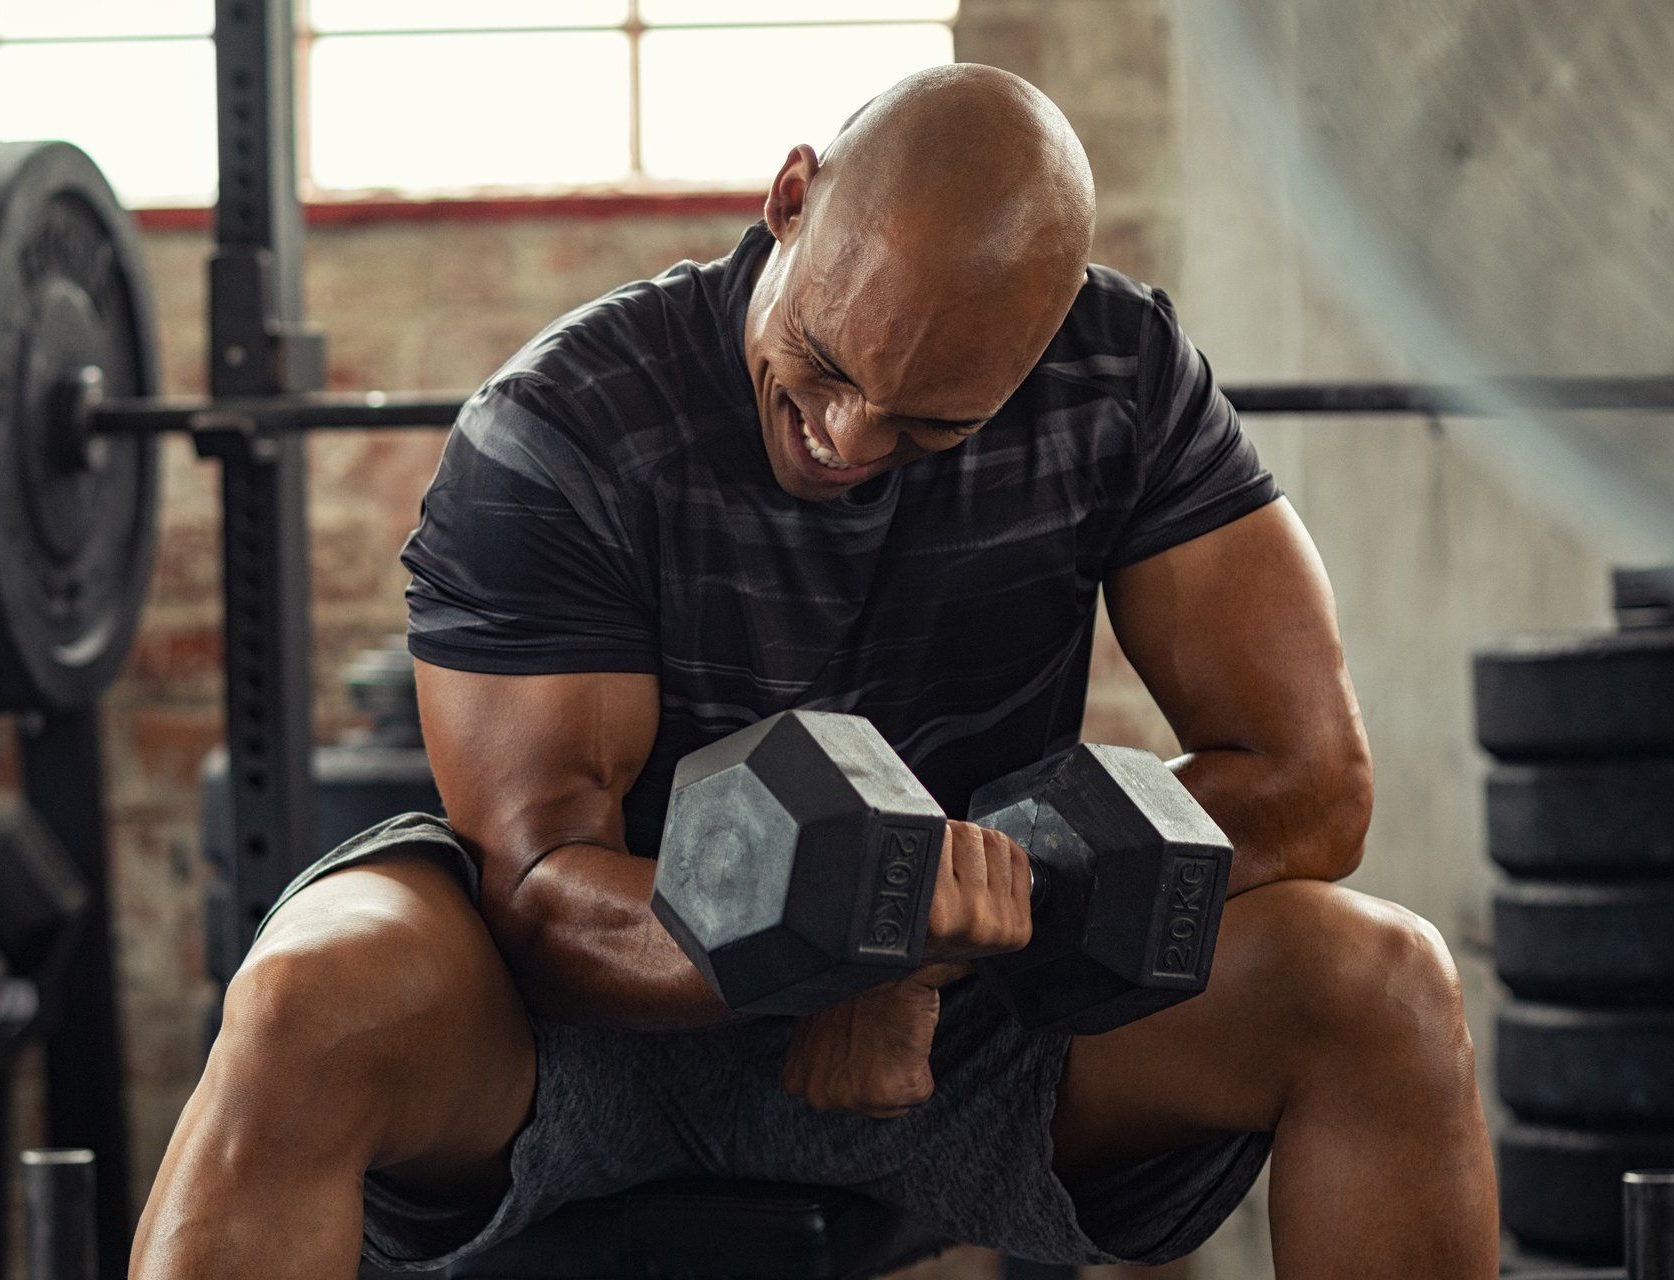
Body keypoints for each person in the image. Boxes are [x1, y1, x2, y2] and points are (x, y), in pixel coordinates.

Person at [131, 64, 1498, 1279]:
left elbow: (1310, 785)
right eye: (826, 367)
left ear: (1040, 344)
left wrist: (934, 948)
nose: (845, 435)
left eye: (930, 424)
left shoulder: (1119, 381)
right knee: (307, 997)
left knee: (1382, 985)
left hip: (974, 1028)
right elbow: (545, 894)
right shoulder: (564, 429)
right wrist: (862, 939)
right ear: (792, 195)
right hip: (594, 1030)